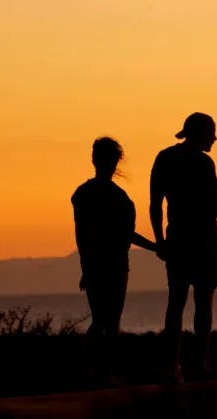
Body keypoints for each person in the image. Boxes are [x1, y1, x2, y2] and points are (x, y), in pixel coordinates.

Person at [150, 112, 217, 383]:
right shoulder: (203, 163)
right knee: (202, 305)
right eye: (212, 132)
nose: (215, 138)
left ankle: (172, 366)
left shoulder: (164, 158)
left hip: (177, 240)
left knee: (175, 304)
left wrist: (160, 242)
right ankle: (198, 364)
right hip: (202, 241)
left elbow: (155, 205)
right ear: (201, 133)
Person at [71, 137, 156, 386]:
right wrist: (86, 268)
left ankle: (101, 371)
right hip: (103, 264)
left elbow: (125, 234)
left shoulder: (115, 197)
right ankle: (97, 371)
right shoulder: (89, 195)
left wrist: (156, 247)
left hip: (116, 263)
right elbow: (84, 236)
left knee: (108, 319)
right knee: (103, 319)